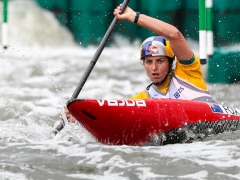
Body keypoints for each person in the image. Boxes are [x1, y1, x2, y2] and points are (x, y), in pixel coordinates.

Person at [62, 5, 215, 123]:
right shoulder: (144, 98)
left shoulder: (188, 72)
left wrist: (134, 16)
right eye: (149, 62)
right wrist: (79, 117)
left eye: (160, 61)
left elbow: (174, 35)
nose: (154, 68)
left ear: (170, 62)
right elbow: (115, 118)